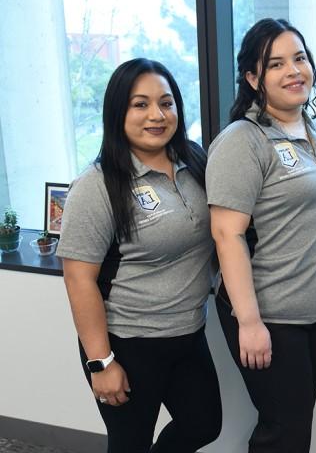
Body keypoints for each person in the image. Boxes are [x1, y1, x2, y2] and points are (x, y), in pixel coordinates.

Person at [57, 58, 222, 452]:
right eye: (140, 104)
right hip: (127, 341)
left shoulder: (194, 161)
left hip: (187, 332)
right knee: (129, 443)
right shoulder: (97, 186)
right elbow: (78, 278)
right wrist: (101, 362)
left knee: (203, 424)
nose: (156, 115)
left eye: (166, 103)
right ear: (118, 112)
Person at [206, 18, 316, 453]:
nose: (294, 71)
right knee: (283, 436)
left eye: (300, 58)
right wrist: (248, 322)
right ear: (253, 78)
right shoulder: (242, 141)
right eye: (276, 64)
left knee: (294, 425)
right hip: (272, 315)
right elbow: (227, 235)